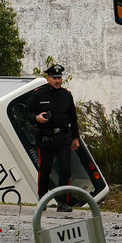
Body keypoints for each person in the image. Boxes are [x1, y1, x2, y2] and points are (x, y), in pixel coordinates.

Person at [27, 63, 81, 212]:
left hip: (63, 137)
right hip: (45, 137)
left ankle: (63, 203)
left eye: (59, 78)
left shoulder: (66, 95)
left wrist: (75, 137)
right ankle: (42, 200)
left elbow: (73, 118)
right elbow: (27, 113)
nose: (57, 81)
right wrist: (36, 118)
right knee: (45, 169)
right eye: (54, 78)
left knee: (65, 169)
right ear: (48, 78)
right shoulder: (39, 94)